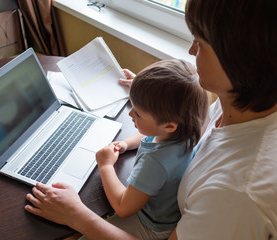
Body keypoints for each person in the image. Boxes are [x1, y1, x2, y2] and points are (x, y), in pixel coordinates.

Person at [24, 0, 277, 239]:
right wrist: (153, 96)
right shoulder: (236, 105)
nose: (191, 50)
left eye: (200, 43)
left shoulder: (238, 194)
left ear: (238, 60)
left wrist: (75, 215)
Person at [85, 59, 208, 240]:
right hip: (163, 214)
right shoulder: (186, 130)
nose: (130, 113)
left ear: (169, 126)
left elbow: (123, 207)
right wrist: (126, 144)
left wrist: (105, 166)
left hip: (150, 225)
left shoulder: (156, 162)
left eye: (139, 113)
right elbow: (150, 134)